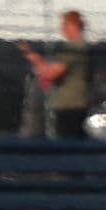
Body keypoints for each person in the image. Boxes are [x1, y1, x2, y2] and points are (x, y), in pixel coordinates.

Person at [19, 9, 91, 140]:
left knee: (68, 144)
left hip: (70, 104)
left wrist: (35, 59)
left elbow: (51, 74)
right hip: (74, 103)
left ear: (73, 25)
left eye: (64, 24)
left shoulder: (75, 47)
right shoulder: (79, 45)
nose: (62, 28)